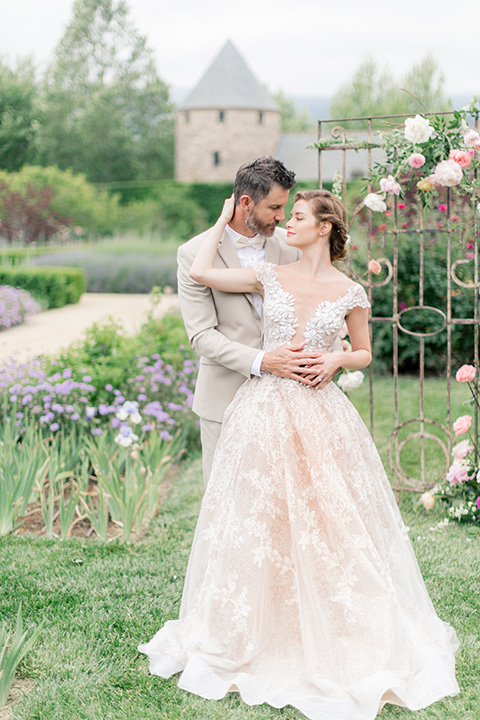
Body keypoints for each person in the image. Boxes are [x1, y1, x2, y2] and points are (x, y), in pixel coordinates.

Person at [139, 190, 459, 719]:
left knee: (325, 517)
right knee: (256, 519)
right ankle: (250, 627)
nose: (287, 223)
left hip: (319, 411)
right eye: (286, 214)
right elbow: (200, 271)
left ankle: (331, 622)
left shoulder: (351, 291)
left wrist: (336, 358)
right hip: (261, 408)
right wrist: (223, 217)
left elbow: (363, 351)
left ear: (325, 227)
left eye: (298, 217)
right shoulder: (271, 274)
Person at [176, 157, 337, 486]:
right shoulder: (194, 255)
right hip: (225, 396)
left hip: (291, 399)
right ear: (245, 202)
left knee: (283, 499)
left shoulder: (291, 247)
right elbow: (202, 335)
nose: (282, 217)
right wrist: (264, 361)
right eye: (275, 207)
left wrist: (332, 352)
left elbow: (321, 302)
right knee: (226, 501)